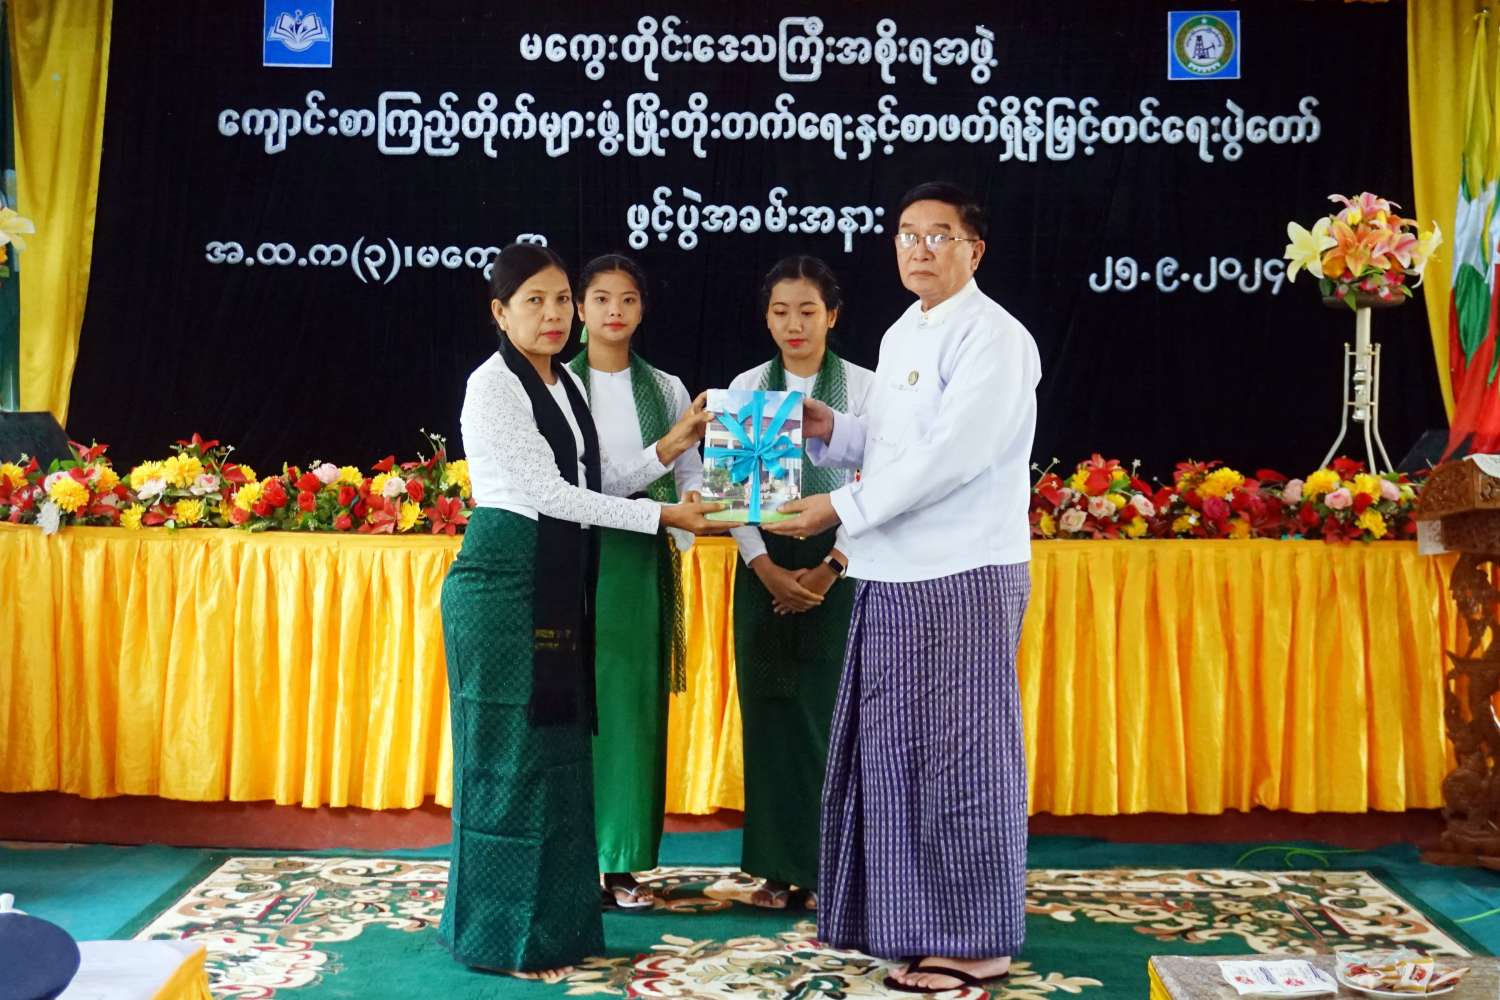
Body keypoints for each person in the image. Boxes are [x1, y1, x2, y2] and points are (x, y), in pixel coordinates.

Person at [767, 183, 1041, 994]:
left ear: (974, 250)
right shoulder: (901, 330)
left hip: (962, 572)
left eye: (939, 235)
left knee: (960, 762)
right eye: (907, 234)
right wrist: (837, 432)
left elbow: (954, 456)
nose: (920, 248)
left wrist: (839, 507)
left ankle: (976, 943)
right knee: (891, 759)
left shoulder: (995, 337)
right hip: (892, 572)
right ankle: (907, 925)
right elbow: (895, 443)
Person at [437, 242, 724, 979]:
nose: (554, 314)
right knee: (508, 761)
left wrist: (669, 452)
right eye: (534, 300)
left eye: (562, 299)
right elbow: (549, 494)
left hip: (558, 581)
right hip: (503, 582)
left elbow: (596, 480)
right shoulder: (491, 386)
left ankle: (559, 929)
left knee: (559, 759)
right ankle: (499, 937)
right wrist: (664, 518)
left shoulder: (563, 382)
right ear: (500, 312)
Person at [727, 256, 874, 910]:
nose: (794, 324)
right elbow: (734, 495)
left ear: (832, 316)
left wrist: (832, 564)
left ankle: (830, 868)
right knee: (771, 717)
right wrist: (765, 567)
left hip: (846, 565)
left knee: (829, 718)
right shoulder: (746, 388)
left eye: (808, 311)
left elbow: (880, 486)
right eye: (781, 311)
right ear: (766, 318)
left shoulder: (866, 389)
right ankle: (775, 868)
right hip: (763, 568)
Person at [566, 253, 703, 911]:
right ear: (579, 309)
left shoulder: (668, 388)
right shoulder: (558, 385)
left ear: (642, 309)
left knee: (632, 711)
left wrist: (702, 500)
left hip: (641, 562)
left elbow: (690, 472)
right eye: (600, 298)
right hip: (574, 559)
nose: (614, 311)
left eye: (627, 299)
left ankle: (622, 865)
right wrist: (665, 453)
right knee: (576, 709)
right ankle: (573, 857)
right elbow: (583, 485)